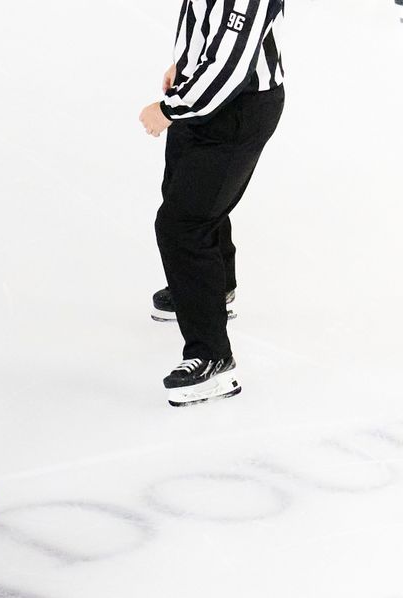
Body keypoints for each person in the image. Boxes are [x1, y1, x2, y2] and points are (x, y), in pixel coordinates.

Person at [138, 0, 286, 407]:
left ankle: (213, 359)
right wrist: (186, 64)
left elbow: (231, 66)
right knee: (189, 196)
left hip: (236, 109)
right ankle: (212, 290)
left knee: (183, 224)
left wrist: (170, 108)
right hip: (206, 98)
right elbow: (210, 25)